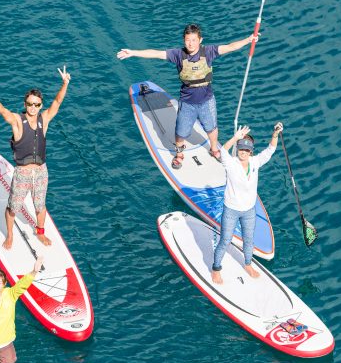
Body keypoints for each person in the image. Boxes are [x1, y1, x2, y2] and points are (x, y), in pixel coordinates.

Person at [116, 24, 257, 169]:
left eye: (194, 40)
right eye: (188, 40)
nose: (191, 43)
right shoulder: (178, 55)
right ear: (184, 40)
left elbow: (230, 47)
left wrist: (248, 39)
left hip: (207, 101)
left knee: (212, 128)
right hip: (187, 103)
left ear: (200, 40)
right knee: (180, 132)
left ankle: (214, 149)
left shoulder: (208, 52)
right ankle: (179, 155)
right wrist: (133, 52)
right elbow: (156, 53)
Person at [0, 66, 71, 249]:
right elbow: (4, 112)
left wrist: (65, 83)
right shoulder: (17, 120)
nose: (33, 108)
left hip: (41, 172)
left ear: (40, 105)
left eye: (37, 104)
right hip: (22, 174)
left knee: (40, 206)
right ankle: (10, 236)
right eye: (30, 104)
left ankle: (40, 232)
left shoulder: (44, 119)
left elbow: (57, 102)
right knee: (13, 208)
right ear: (25, 104)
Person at [211, 122, 283, 285]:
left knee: (249, 240)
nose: (243, 153)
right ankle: (216, 268)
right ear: (238, 150)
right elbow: (223, 151)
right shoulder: (231, 164)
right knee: (225, 240)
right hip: (231, 210)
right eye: (241, 149)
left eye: (246, 150)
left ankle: (248, 264)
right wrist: (235, 137)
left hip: (249, 211)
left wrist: (275, 134)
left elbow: (270, 150)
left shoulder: (255, 162)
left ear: (251, 151)